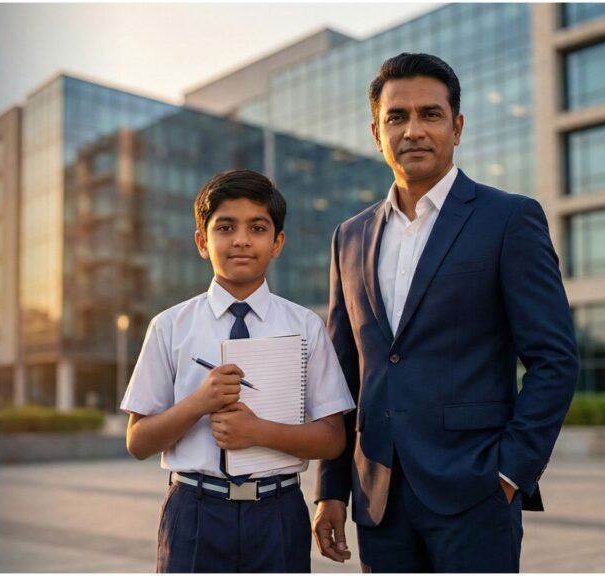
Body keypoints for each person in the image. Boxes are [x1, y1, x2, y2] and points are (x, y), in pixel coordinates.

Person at [312, 52, 579, 572]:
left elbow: (554, 359)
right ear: (376, 132)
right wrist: (331, 488)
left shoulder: (509, 219)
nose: (413, 130)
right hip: (378, 500)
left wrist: (509, 473)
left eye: (430, 114)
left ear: (457, 127)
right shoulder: (349, 236)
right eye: (397, 117)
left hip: (476, 494)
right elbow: (343, 376)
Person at [121, 169, 356, 572]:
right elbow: (138, 441)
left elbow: (334, 438)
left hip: (277, 513)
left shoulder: (305, 326)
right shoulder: (170, 326)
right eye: (225, 227)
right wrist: (199, 402)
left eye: (258, 227)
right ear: (202, 241)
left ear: (277, 242)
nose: (242, 239)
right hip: (194, 512)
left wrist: (258, 433)